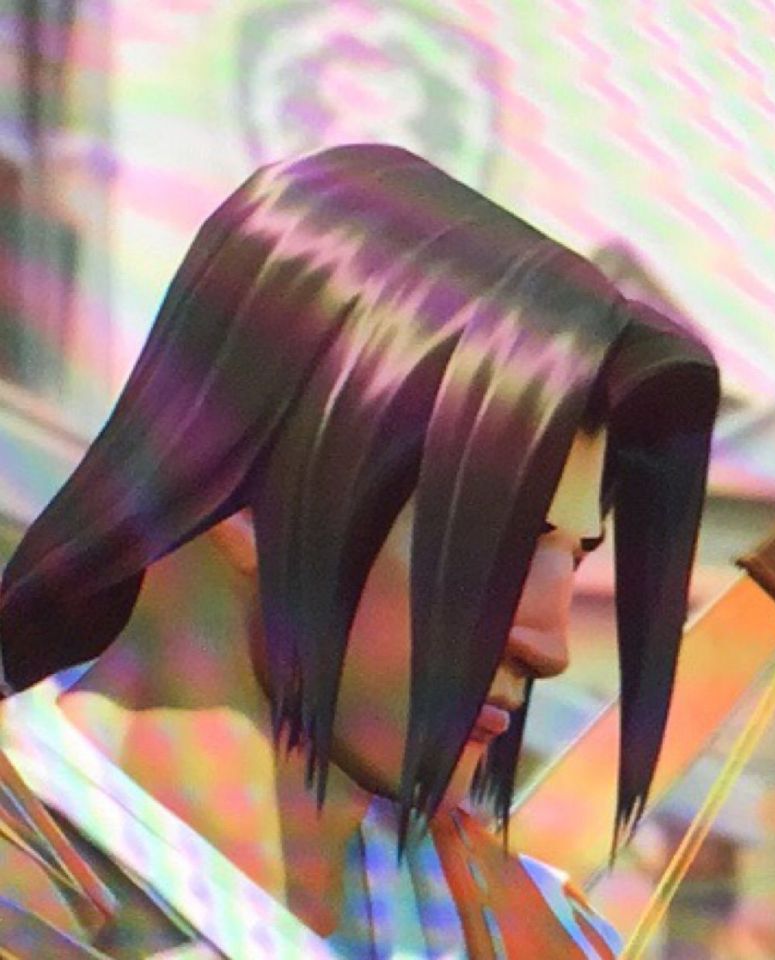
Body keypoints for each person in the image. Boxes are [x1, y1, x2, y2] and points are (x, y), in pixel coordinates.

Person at [0, 144, 719, 958]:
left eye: (576, 554)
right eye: (495, 545)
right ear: (251, 507)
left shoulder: (534, 931)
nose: (547, 643)